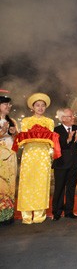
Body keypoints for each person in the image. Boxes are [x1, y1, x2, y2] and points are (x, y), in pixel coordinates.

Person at [16, 93, 57, 224]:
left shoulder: (49, 122)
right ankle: (26, 214)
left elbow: (52, 139)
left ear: (45, 107)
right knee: (27, 182)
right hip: (29, 154)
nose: (40, 108)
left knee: (41, 182)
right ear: (32, 107)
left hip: (43, 155)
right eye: (37, 105)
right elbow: (22, 139)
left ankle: (39, 214)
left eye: (42, 105)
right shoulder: (26, 121)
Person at [52, 108, 77, 220]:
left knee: (71, 188)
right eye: (70, 116)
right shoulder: (56, 130)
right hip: (61, 163)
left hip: (74, 163)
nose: (72, 118)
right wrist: (69, 139)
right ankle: (57, 212)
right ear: (63, 118)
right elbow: (57, 146)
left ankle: (69, 211)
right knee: (59, 188)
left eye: (72, 116)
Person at [0, 94, 18, 225]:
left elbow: (18, 140)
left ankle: (8, 215)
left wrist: (13, 133)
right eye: (6, 104)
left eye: (9, 104)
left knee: (10, 184)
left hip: (11, 156)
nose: (8, 107)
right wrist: (2, 132)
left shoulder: (12, 121)